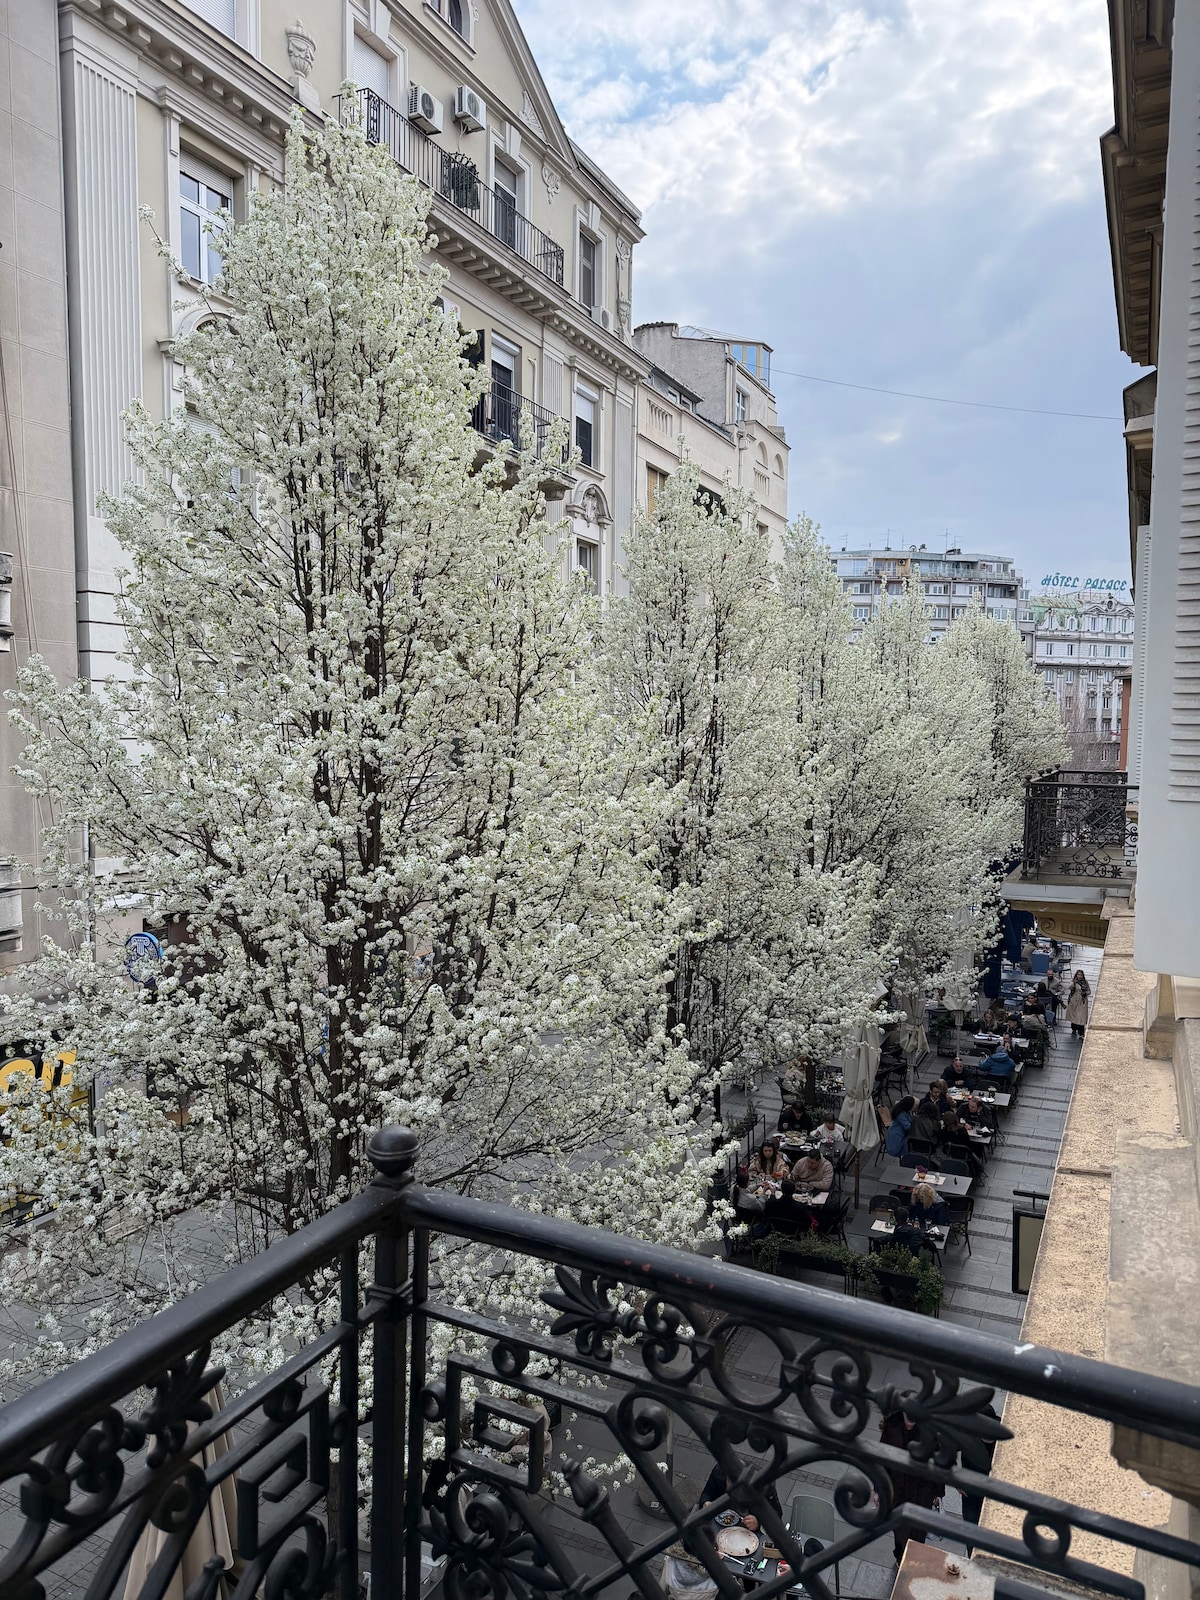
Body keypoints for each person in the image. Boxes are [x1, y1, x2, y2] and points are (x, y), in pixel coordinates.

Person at [879, 1406, 945, 1563]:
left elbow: (939, 1464)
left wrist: (938, 1493)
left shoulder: (929, 1432)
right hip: (898, 1490)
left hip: (921, 1491)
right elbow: (882, 1460)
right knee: (900, 1531)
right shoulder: (892, 1428)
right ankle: (901, 1556)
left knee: (918, 1533)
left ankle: (911, 1558)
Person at [1066, 969, 1091, 1038]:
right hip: (1074, 1000)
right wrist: (1073, 982)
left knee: (1081, 1017)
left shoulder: (1085, 982)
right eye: (1078, 974)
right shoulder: (1074, 981)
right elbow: (1069, 987)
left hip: (1082, 1001)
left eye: (1081, 975)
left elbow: (1089, 991)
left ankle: (1081, 1032)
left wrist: (1085, 993)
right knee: (1074, 1016)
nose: (1079, 976)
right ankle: (1074, 1028)